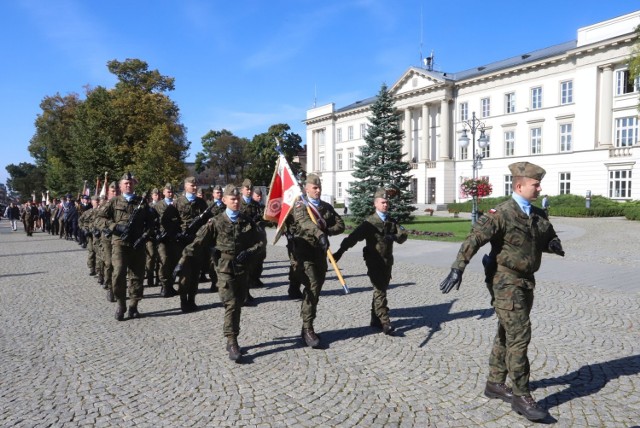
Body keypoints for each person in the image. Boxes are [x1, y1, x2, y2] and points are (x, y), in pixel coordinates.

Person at [438, 161, 565, 422]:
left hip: (526, 281)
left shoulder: (539, 214)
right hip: (504, 281)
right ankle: (521, 395)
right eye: (535, 184)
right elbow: (474, 238)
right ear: (519, 185)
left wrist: (553, 244)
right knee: (520, 334)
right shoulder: (502, 213)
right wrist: (457, 268)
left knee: (507, 331)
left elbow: (547, 237)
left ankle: (495, 383)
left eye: (539, 183)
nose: (539, 187)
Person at [174, 184, 265, 361]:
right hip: (224, 268)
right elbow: (197, 243)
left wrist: (250, 252)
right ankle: (232, 341)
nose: (236, 201)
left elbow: (260, 243)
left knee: (238, 303)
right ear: (224, 201)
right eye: (232, 199)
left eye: (238, 198)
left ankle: (232, 337)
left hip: (242, 268)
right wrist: (181, 261)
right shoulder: (216, 222)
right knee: (231, 303)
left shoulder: (246, 221)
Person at [332, 187, 408, 335]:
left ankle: (375, 319)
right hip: (373, 261)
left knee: (382, 289)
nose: (385, 205)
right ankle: (385, 322)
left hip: (387, 261)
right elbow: (352, 238)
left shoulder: (391, 221)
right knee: (380, 290)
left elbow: (403, 234)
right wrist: (340, 252)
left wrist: (394, 237)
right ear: (375, 204)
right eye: (383, 202)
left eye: (387, 202)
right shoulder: (369, 223)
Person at [285, 174, 345, 348]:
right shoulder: (300, 205)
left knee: (316, 288)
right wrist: (319, 233)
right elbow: (304, 223)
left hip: (320, 253)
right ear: (306, 188)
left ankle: (306, 326)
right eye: (314, 188)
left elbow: (340, 224)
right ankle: (308, 329)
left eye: (319, 188)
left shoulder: (325, 207)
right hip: (304, 253)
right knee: (312, 287)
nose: (318, 191)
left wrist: (327, 230)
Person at [98, 172, 153, 320]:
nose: (128, 185)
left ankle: (134, 305)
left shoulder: (141, 202)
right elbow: (100, 219)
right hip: (120, 243)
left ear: (134, 184)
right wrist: (115, 227)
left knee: (137, 276)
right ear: (121, 186)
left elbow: (151, 223)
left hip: (137, 244)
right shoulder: (114, 202)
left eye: (131, 183)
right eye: (125, 183)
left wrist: (145, 236)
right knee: (119, 274)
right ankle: (121, 303)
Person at [175, 176, 210, 312]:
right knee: (184, 273)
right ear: (185, 187)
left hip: (198, 243)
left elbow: (209, 220)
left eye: (196, 185)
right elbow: (171, 221)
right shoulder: (177, 202)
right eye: (191, 185)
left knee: (195, 273)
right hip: (183, 244)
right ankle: (183, 300)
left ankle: (192, 299)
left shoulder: (201, 203)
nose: (194, 187)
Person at [154, 183, 181, 298]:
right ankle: (164, 285)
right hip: (162, 238)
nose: (170, 193)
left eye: (171, 191)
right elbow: (153, 221)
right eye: (168, 191)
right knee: (164, 261)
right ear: (163, 192)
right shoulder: (158, 205)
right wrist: (156, 233)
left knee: (174, 262)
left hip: (174, 237)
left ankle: (170, 285)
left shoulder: (177, 204)